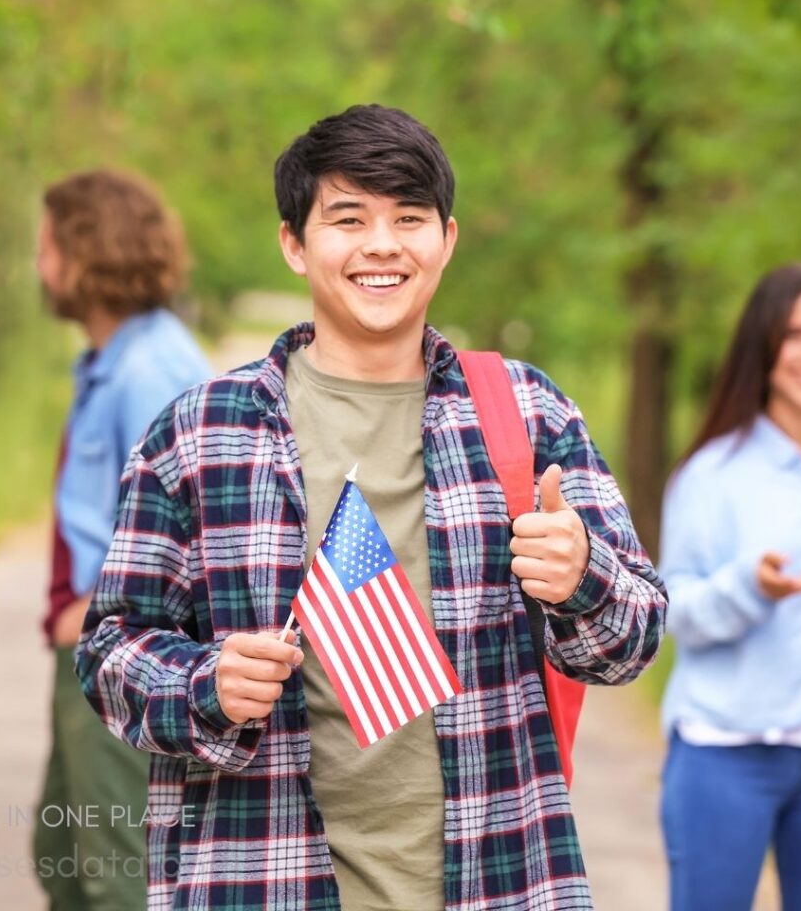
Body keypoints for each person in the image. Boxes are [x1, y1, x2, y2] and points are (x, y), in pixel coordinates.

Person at [76, 104, 667, 911]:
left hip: (500, 879)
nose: (382, 245)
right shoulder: (200, 431)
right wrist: (206, 683)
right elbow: (109, 649)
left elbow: (633, 640)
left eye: (408, 218)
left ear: (447, 241)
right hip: (260, 877)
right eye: (348, 218)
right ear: (294, 242)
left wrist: (582, 576)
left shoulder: (528, 415)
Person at [658, 263, 801, 911]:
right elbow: (670, 612)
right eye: (795, 335)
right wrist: (748, 588)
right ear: (764, 343)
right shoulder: (709, 476)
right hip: (722, 758)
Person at [33, 169, 213, 911]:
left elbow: (197, 526)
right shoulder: (112, 361)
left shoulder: (150, 370)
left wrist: (104, 609)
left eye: (47, 247)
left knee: (119, 876)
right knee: (65, 859)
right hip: (86, 649)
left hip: (120, 656)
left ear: (86, 250)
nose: (40, 265)